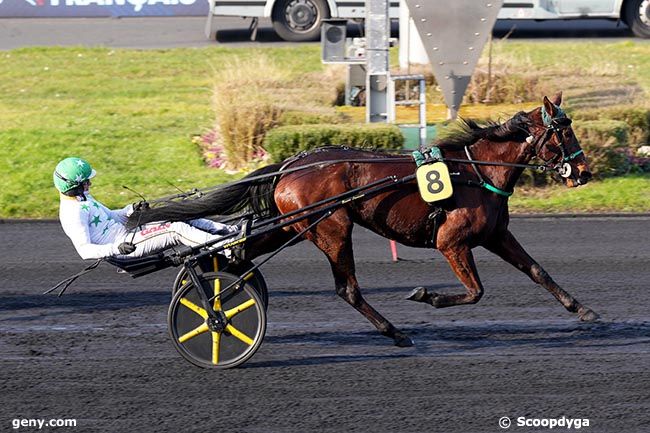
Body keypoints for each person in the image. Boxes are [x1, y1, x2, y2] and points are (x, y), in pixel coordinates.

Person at [54, 157, 237, 260]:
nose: (90, 183)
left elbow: (111, 217)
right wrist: (117, 248)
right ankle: (227, 247)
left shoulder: (83, 199)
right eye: (86, 182)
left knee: (173, 213)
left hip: (130, 233)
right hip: (126, 248)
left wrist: (129, 210)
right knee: (176, 229)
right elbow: (84, 251)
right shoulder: (72, 213)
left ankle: (227, 231)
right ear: (73, 186)